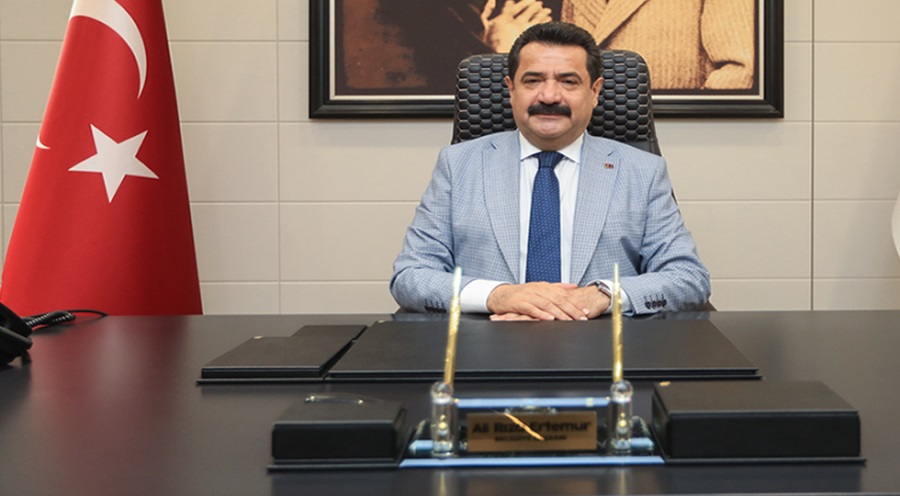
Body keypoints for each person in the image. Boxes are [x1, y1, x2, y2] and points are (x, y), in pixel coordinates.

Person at [390, 22, 710, 320]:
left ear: (595, 91)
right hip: (487, 341)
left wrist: (603, 295)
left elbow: (688, 277)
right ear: (511, 89)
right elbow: (411, 275)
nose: (549, 96)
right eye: (533, 81)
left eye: (569, 81)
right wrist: (497, 296)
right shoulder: (458, 165)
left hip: (601, 345)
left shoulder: (642, 171)